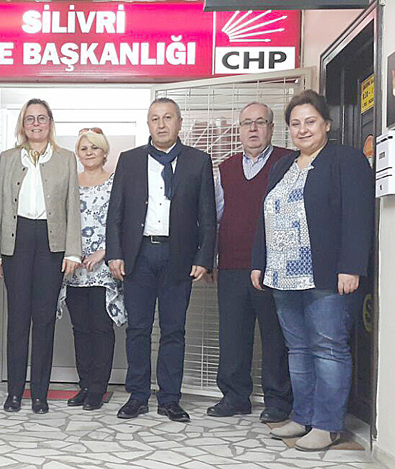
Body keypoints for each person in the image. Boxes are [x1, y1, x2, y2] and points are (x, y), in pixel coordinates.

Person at [251, 90, 374, 451]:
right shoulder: (282, 166)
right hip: (283, 276)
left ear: (327, 124)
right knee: (298, 349)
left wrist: (351, 266)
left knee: (328, 348)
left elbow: (358, 216)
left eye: (310, 121)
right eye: (295, 124)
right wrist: (259, 262)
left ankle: (327, 424)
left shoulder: (346, 160)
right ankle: (302, 417)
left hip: (326, 275)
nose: (302, 129)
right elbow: (266, 216)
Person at [106, 97, 216, 422]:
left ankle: (169, 398)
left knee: (173, 330)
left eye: (168, 117)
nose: (162, 124)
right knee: (137, 329)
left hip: (178, 255)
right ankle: (137, 396)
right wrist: (115, 253)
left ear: (179, 123)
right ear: (148, 124)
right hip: (138, 255)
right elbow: (115, 212)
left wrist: (204, 257)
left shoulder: (198, 161)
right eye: (155, 118)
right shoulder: (129, 160)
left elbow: (208, 216)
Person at [0, 98, 81, 415]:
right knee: (17, 319)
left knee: (44, 319)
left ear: (50, 123)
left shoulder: (65, 158)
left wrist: (73, 250)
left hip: (51, 243)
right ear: (23, 124)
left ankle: (40, 394)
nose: (36, 123)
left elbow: (73, 206)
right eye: (29, 118)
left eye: (41, 118)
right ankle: (14, 393)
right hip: (15, 241)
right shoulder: (8, 158)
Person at [207, 102, 293, 422]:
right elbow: (216, 218)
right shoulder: (225, 169)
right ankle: (234, 397)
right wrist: (211, 258)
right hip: (232, 265)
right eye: (247, 123)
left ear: (272, 128)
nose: (253, 129)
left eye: (260, 122)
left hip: (275, 266)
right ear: (239, 130)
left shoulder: (288, 162)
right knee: (233, 335)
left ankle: (278, 401)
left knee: (275, 337)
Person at [58, 128, 127, 411]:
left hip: (102, 267)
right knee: (80, 329)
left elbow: (123, 221)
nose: (89, 153)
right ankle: (84, 386)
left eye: (94, 148)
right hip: (74, 266)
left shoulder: (115, 182)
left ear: (104, 152)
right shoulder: (69, 182)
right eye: (84, 148)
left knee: (101, 327)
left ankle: (98, 388)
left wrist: (105, 252)